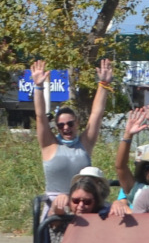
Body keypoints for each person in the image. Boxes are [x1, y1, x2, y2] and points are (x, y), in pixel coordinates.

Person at [32, 57, 114, 197]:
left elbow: (96, 114)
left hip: (81, 204)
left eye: (70, 123)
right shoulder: (49, 145)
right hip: (55, 206)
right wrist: (39, 86)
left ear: (77, 123)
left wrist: (104, 84)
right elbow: (40, 116)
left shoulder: (85, 144)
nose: (66, 127)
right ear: (57, 127)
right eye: (61, 125)